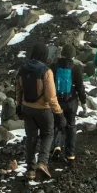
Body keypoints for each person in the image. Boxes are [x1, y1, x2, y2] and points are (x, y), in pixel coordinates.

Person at [16, 43, 64, 179]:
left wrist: (18, 105)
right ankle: (42, 163)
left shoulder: (22, 68)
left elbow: (18, 89)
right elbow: (50, 96)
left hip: (26, 108)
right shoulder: (46, 71)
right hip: (43, 110)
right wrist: (59, 113)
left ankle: (30, 170)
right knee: (48, 134)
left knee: (31, 138)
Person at [51, 43, 88, 162]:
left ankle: (56, 146)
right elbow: (80, 87)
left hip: (56, 101)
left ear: (61, 54)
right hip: (71, 101)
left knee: (56, 123)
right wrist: (83, 102)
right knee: (71, 126)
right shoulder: (76, 68)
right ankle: (70, 154)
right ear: (73, 55)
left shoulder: (53, 67)